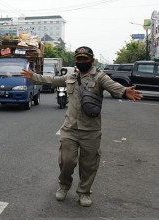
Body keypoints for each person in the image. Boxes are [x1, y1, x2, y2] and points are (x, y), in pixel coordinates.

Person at [21, 46, 143, 207]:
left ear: (91, 61)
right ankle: (64, 186)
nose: (81, 62)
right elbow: (51, 80)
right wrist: (33, 76)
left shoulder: (100, 77)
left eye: (85, 59)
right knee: (66, 161)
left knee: (89, 164)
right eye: (79, 59)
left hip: (90, 130)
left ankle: (84, 192)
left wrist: (125, 91)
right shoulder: (70, 77)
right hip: (70, 128)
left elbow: (113, 86)